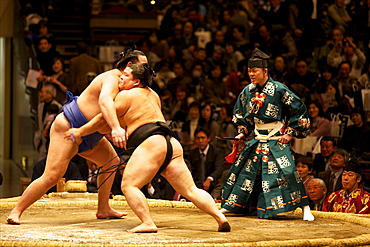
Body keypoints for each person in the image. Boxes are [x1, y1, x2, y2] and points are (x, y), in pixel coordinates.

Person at [64, 63, 230, 233]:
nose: (120, 77)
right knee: (191, 189)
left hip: (152, 143)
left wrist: (80, 131)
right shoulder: (154, 95)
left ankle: (147, 222)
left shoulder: (126, 95)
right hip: (171, 143)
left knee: (129, 185)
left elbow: (102, 119)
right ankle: (219, 217)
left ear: (136, 82)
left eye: (126, 75)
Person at [6, 47, 148, 225]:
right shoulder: (112, 78)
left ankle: (103, 208)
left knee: (111, 161)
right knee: (52, 175)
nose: (146, 71)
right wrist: (115, 128)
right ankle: (17, 211)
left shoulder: (131, 87)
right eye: (143, 66)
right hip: (69, 126)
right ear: (130, 65)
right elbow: (105, 102)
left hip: (91, 134)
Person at [220, 48, 314, 221]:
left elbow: (299, 109)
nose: (251, 74)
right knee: (244, 173)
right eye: (249, 71)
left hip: (276, 138)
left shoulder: (279, 89)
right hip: (257, 138)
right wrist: (243, 131)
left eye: (254, 71)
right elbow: (240, 114)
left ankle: (305, 208)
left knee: (289, 173)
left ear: (265, 71)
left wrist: (291, 132)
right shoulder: (247, 91)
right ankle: (229, 206)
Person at [187, 128, 224, 194]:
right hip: (195, 184)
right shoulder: (192, 153)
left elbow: (219, 169)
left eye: (203, 138)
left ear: (208, 139)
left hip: (212, 183)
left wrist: (209, 179)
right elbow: (188, 168)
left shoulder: (217, 152)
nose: (200, 141)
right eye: (198, 138)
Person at [34, 84, 62, 161]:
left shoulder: (58, 107)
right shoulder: (40, 106)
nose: (40, 94)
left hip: (51, 142)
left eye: (42, 92)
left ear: (50, 94)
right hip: (41, 142)